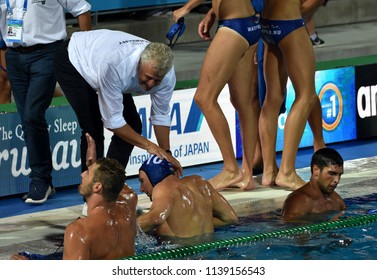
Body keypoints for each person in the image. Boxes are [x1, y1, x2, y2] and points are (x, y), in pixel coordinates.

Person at [54, 29, 183, 177]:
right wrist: (149, 146)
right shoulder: (115, 65)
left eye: (156, 80)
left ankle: (110, 181)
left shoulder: (167, 74)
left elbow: (160, 115)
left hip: (102, 56)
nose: (150, 84)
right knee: (93, 129)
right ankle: (92, 192)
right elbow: (113, 122)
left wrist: (166, 154)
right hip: (75, 59)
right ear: (139, 63)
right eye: (147, 77)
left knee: (133, 124)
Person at [0, 0, 92, 204]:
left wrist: (86, 52)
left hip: (47, 54)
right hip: (14, 56)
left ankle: (40, 179)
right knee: (27, 120)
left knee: (32, 114)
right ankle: (43, 182)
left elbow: (82, 9)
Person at [172, 0, 262, 191]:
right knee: (242, 102)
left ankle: (230, 169)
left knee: (204, 97)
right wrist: (212, 12)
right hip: (247, 23)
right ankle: (246, 175)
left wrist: (187, 7)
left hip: (233, 29)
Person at [11, 133, 138, 260]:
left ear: (97, 187)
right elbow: (119, 184)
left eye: (87, 173)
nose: (82, 174)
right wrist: (94, 166)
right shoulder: (128, 211)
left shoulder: (79, 230)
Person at [259, 0, 321, 190]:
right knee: (307, 95)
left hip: (267, 26)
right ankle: (287, 172)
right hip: (289, 24)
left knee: (272, 98)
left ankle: (269, 171)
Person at [137, 155, 238, 238]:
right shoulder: (200, 182)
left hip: (182, 255)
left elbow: (156, 218)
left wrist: (124, 227)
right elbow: (230, 218)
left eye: (142, 181)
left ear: (154, 175)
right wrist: (197, 224)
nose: (141, 188)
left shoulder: (162, 188)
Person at [282, 147, 346, 221]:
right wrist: (327, 226)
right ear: (316, 171)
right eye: (332, 173)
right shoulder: (300, 201)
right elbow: (289, 229)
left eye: (339, 175)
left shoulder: (336, 199)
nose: (337, 180)